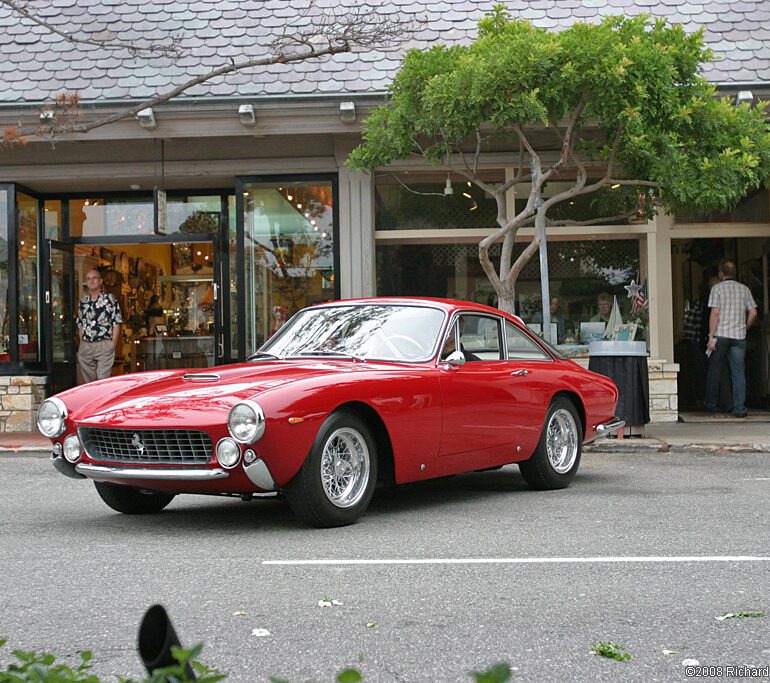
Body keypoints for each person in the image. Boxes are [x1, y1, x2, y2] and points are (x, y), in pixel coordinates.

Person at [703, 260, 757, 417]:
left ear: (721, 274)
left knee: (715, 369)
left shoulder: (717, 289)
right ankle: (739, 408)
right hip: (739, 337)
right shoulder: (744, 289)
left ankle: (711, 404)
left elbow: (715, 313)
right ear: (735, 274)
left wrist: (711, 336)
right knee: (739, 372)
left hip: (720, 335)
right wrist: (745, 327)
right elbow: (753, 312)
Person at [76, 269, 123, 383]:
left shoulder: (109, 300)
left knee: (102, 380)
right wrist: (82, 342)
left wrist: (112, 344)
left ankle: (102, 399)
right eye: (88, 279)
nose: (91, 281)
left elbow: (116, 322)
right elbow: (80, 323)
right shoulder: (83, 302)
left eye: (94, 278)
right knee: (89, 382)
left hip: (104, 344)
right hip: (86, 345)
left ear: (100, 281)